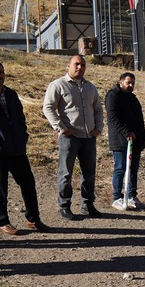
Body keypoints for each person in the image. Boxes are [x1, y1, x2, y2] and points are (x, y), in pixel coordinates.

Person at [0, 60, 50, 236]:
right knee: (0, 187)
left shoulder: (11, 94)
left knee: (28, 183)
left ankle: (33, 218)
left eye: (1, 72)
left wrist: (23, 136)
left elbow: (20, 118)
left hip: (16, 148)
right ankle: (2, 221)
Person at [42, 55, 104, 220]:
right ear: (68, 65)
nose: (80, 67)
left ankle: (87, 205)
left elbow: (98, 109)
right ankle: (64, 205)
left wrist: (98, 128)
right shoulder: (58, 85)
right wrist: (62, 128)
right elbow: (48, 108)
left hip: (89, 137)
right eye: (76, 64)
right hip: (69, 138)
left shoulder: (90, 87)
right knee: (66, 173)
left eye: (82, 65)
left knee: (89, 173)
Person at [105, 72, 145, 211]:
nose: (131, 85)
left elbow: (139, 120)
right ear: (121, 82)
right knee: (120, 168)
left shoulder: (133, 99)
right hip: (120, 140)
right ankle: (117, 197)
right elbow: (113, 117)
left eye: (132, 83)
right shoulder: (113, 96)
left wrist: (142, 138)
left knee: (133, 169)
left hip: (135, 140)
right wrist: (126, 132)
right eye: (128, 82)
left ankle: (131, 196)